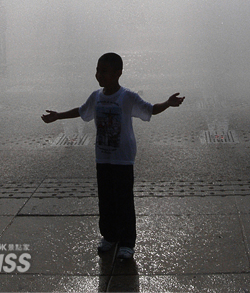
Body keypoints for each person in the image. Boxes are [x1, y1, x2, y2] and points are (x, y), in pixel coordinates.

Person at [41, 52, 185, 260]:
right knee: (106, 200)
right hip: (103, 158)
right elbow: (82, 112)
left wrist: (167, 103)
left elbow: (150, 110)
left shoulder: (127, 97)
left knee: (124, 201)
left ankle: (127, 242)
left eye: (104, 71)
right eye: (98, 71)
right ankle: (109, 236)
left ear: (118, 73)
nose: (99, 75)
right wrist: (58, 116)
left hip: (123, 159)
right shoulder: (96, 96)